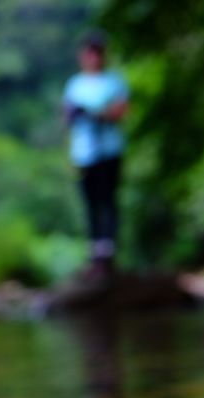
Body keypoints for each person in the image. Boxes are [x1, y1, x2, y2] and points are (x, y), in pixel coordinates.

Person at [63, 30, 129, 277]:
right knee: (90, 204)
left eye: (98, 52)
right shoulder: (75, 85)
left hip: (110, 151)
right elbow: (66, 117)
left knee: (108, 201)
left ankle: (109, 255)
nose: (94, 56)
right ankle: (94, 256)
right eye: (90, 51)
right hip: (84, 154)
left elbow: (120, 112)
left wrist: (92, 113)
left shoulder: (114, 82)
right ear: (83, 55)